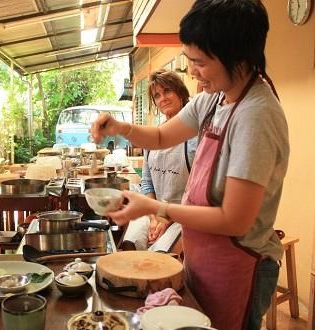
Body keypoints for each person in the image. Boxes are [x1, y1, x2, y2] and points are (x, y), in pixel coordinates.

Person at [91, 1, 289, 329]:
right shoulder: (214, 99)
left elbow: (234, 219)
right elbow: (157, 136)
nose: (193, 72)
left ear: (237, 55)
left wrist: (156, 207)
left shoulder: (257, 115)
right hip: (204, 258)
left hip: (238, 264)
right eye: (190, 61)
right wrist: (120, 127)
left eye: (200, 62)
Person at [121, 70, 196, 252]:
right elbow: (147, 183)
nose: (162, 98)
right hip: (154, 211)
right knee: (129, 246)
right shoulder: (152, 138)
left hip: (184, 215)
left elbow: (197, 191)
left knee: (158, 258)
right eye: (157, 95)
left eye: (168, 91)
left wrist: (166, 217)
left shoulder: (196, 137)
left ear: (181, 92)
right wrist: (155, 215)